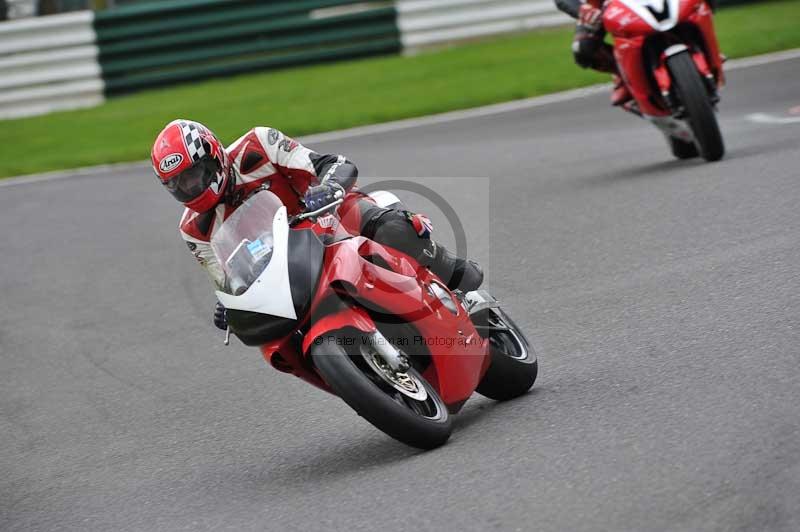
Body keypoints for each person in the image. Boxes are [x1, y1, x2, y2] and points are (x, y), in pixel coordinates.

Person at [151, 120, 483, 330]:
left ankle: (453, 277)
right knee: (273, 331)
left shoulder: (257, 145)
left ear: (211, 158)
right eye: (177, 185)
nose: (189, 189)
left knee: (390, 229)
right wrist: (228, 306)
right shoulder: (193, 230)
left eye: (193, 177)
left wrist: (330, 187)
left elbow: (330, 163)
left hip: (327, 218)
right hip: (284, 268)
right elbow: (226, 279)